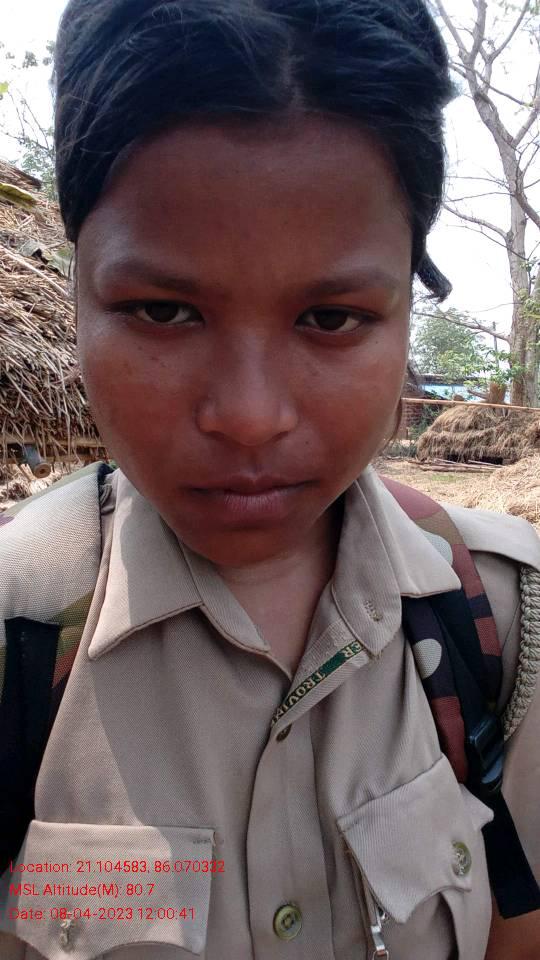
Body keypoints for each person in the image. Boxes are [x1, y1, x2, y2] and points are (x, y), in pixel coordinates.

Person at [0, 0, 539, 957]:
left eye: (330, 320)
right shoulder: (18, 636)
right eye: (164, 311)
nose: (249, 416)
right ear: (75, 287)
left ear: (407, 308)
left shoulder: (501, 622)